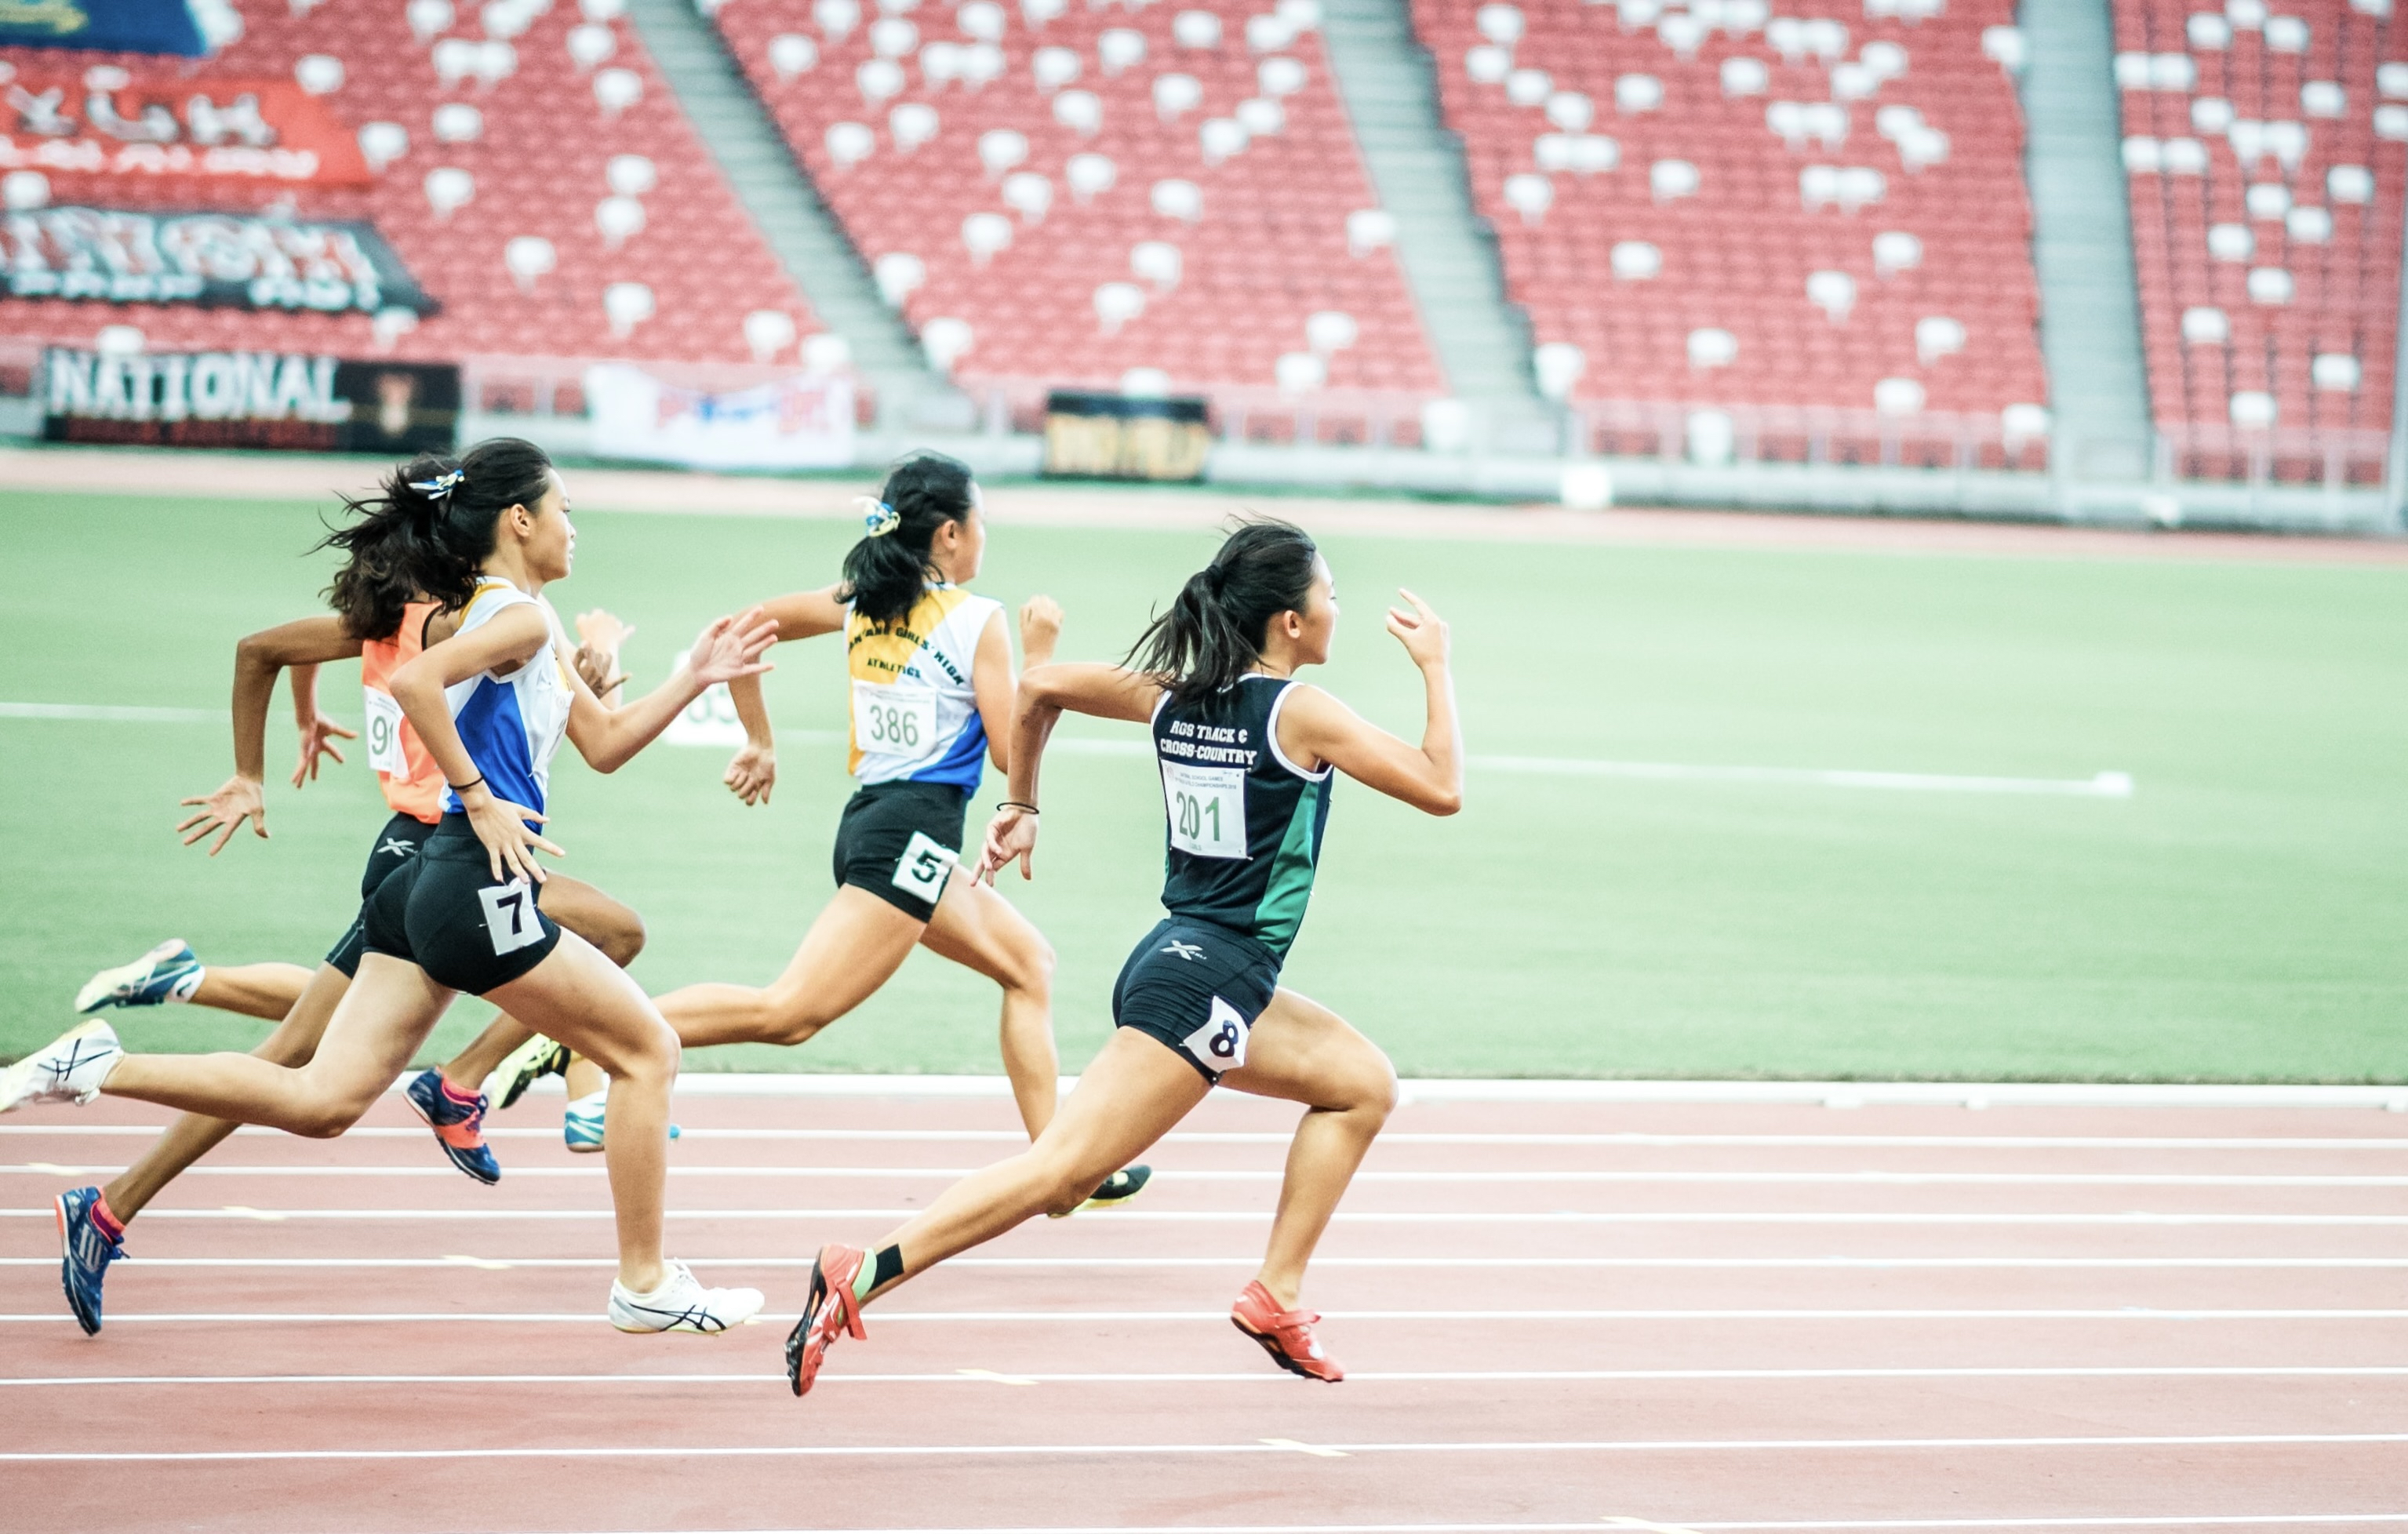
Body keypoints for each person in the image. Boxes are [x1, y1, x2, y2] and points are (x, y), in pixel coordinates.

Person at [3, 438, 773, 1333]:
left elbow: (600, 744)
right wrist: (479, 798)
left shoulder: (515, 617)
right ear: (518, 520)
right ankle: (643, 1282)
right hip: (460, 874)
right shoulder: (507, 619)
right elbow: (410, 680)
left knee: (322, 1098)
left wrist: (692, 677)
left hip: (428, 879)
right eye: (567, 510)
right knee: (647, 1050)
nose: (577, 528)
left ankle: (99, 1066)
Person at [782, 519, 1462, 1395]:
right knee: (1058, 1178)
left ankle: (1276, 1295)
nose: (1337, 608)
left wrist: (1022, 800)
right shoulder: (1300, 713)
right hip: (1206, 981)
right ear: (1289, 622)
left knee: (1361, 1085)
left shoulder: (1169, 694)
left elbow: (1043, 687)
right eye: (1328, 595)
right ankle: (862, 1267)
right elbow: (1441, 788)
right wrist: (1436, 668)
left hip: (1192, 966)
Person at [649, 453, 1145, 1208]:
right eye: (981, 522)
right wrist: (1043, 659)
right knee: (791, 1013)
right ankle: (607, 1027)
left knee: (1027, 965)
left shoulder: (862, 599)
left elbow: (735, 629)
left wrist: (759, 738)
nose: (985, 537)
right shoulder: (976, 621)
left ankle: (1061, 1171)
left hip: (881, 830)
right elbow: (1014, 755)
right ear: (950, 533)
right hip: (911, 839)